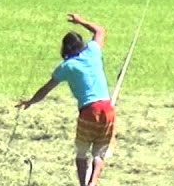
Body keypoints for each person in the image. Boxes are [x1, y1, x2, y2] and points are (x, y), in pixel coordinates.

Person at [16, 13, 116, 186]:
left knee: (81, 152)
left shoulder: (67, 66)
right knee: (100, 151)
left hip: (89, 111)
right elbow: (99, 30)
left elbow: (46, 89)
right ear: (81, 45)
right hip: (108, 109)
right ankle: (93, 183)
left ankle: (84, 184)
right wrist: (81, 21)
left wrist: (30, 102)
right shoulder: (92, 51)